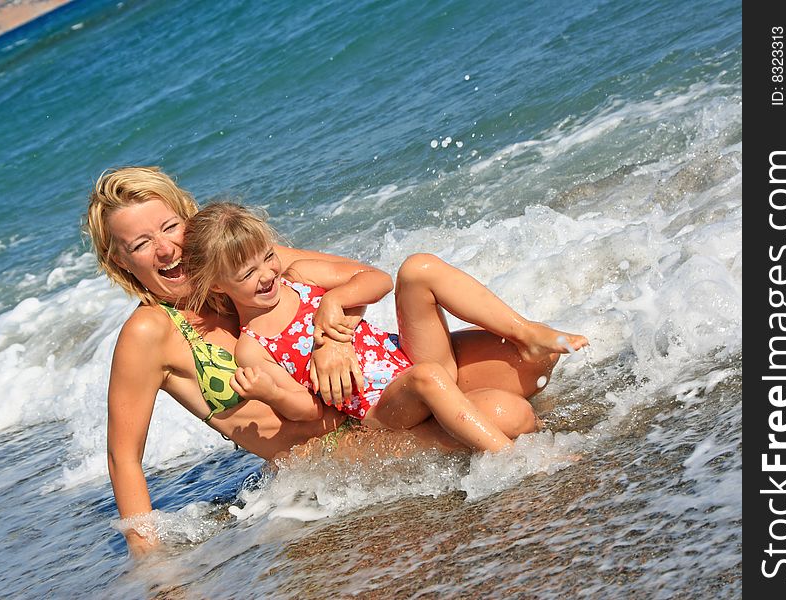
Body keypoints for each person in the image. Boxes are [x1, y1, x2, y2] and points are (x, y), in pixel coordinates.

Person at [83, 166, 581, 556]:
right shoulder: (150, 332)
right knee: (508, 415)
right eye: (141, 244)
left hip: (381, 376)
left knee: (523, 363)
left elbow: (359, 278)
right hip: (336, 440)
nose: (166, 248)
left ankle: (504, 369)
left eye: (169, 226)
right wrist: (151, 562)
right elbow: (123, 458)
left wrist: (332, 338)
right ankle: (496, 446)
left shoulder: (249, 258)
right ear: (120, 261)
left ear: (188, 219)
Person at [183, 202, 587, 452]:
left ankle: (526, 333)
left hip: (408, 359)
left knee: (418, 268)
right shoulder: (253, 348)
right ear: (218, 285)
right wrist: (270, 392)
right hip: (382, 408)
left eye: (267, 257)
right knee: (432, 380)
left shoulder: (301, 276)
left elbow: (378, 279)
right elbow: (307, 410)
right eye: (247, 272)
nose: (266, 273)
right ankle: (512, 462)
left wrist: (334, 300)